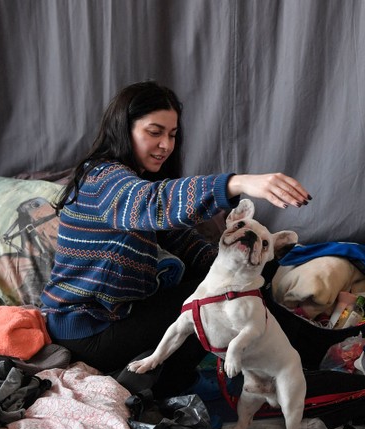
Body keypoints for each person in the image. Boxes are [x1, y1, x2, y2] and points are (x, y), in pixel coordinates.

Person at [41, 80, 312, 398]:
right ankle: (169, 383)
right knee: (214, 299)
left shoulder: (132, 181)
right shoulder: (102, 178)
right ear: (123, 129)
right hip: (86, 330)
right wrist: (237, 183)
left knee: (234, 282)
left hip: (113, 321)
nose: (166, 145)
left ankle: (304, 358)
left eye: (171, 135)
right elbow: (151, 204)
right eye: (154, 132)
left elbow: (186, 244)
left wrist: (250, 266)